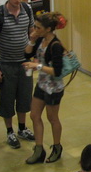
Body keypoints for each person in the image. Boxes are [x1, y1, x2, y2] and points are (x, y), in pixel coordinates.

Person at [0, 0, 35, 149]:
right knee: (7, 100)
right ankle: (10, 131)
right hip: (7, 64)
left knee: (24, 97)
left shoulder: (27, 9)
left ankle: (22, 128)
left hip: (25, 64)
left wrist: (33, 56)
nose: (18, 0)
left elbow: (31, 32)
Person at [22, 12, 67, 164]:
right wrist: (32, 40)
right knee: (34, 115)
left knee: (52, 118)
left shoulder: (56, 45)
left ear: (48, 29)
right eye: (35, 26)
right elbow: (27, 54)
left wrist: (37, 66)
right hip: (42, 84)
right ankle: (39, 149)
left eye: (38, 27)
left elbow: (57, 71)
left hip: (53, 87)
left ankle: (57, 147)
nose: (35, 30)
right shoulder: (40, 39)